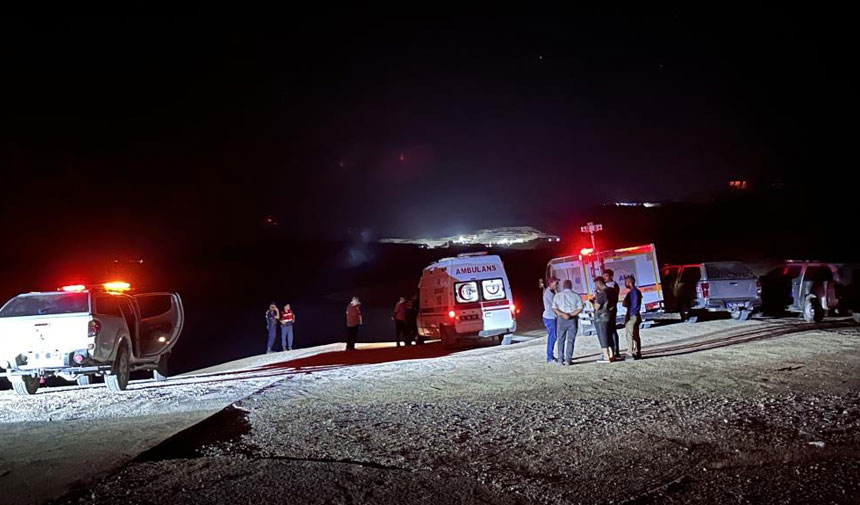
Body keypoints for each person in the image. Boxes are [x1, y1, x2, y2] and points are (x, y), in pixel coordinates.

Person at [552, 279, 584, 365]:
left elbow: (554, 308)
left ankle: (560, 359)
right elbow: (580, 308)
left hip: (561, 320)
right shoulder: (576, 295)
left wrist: (563, 314)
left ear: (563, 286)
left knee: (561, 339)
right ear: (571, 286)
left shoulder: (557, 296)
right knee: (571, 340)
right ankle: (568, 359)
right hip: (572, 319)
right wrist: (571, 314)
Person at [590, 278, 614, 363]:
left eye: (596, 285)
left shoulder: (602, 294)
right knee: (609, 335)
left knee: (602, 336)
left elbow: (597, 307)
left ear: (598, 284)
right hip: (609, 315)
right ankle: (611, 354)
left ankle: (606, 356)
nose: (595, 287)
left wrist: (593, 301)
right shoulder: (611, 291)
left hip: (601, 317)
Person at [622, 276, 643, 361]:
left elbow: (625, 304)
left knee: (629, 335)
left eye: (626, 282)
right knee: (636, 335)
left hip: (632, 316)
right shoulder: (637, 292)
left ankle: (629, 352)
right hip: (637, 315)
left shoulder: (632, 293)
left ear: (629, 282)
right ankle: (637, 351)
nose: (625, 284)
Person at [603, 269, 621, 359]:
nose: (604, 278)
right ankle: (611, 351)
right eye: (603, 276)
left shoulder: (614, 285)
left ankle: (615, 350)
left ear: (611, 276)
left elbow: (613, 298)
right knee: (609, 331)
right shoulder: (606, 285)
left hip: (612, 310)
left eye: (606, 276)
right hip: (607, 310)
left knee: (612, 330)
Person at [542, 276, 560, 363]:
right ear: (551, 283)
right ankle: (549, 357)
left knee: (553, 336)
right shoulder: (548, 293)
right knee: (552, 337)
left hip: (551, 317)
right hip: (550, 317)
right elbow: (555, 305)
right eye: (556, 283)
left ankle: (550, 356)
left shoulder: (552, 291)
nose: (557, 285)